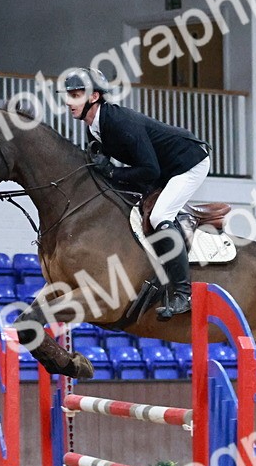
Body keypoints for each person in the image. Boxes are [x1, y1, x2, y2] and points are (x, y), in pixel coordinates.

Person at [63, 67, 210, 321]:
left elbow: (150, 170)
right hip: (164, 167)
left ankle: (183, 294)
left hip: (188, 162)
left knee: (159, 216)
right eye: (68, 95)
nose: (68, 102)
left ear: (94, 97)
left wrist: (112, 172)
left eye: (75, 95)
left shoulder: (119, 123)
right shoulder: (94, 128)